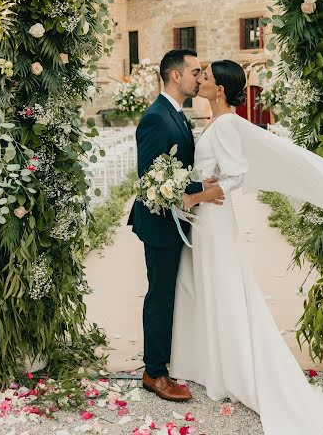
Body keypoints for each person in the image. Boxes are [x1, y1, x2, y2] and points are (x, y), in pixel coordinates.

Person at [170, 59, 323, 434]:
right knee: (205, 286)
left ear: (220, 89)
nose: (201, 81)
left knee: (223, 288)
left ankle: (234, 368)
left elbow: (236, 177)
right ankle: (212, 363)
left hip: (214, 221)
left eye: (208, 77)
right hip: (204, 221)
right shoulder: (214, 122)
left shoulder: (229, 123)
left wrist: (195, 198)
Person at [128, 49, 223, 402]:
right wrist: (203, 191)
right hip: (160, 224)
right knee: (160, 296)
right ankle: (155, 372)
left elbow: (179, 167)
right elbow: (151, 179)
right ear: (175, 76)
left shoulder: (177, 114)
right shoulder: (156, 117)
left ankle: (169, 360)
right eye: (195, 72)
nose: (200, 78)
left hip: (176, 221)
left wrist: (202, 184)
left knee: (172, 294)